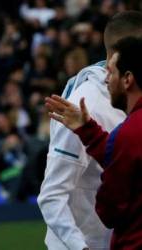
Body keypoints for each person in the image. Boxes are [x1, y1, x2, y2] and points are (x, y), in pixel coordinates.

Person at [37, 11, 142, 250]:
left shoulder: (126, 101)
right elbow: (52, 195)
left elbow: (121, 155)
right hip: (89, 242)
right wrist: (79, 247)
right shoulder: (87, 103)